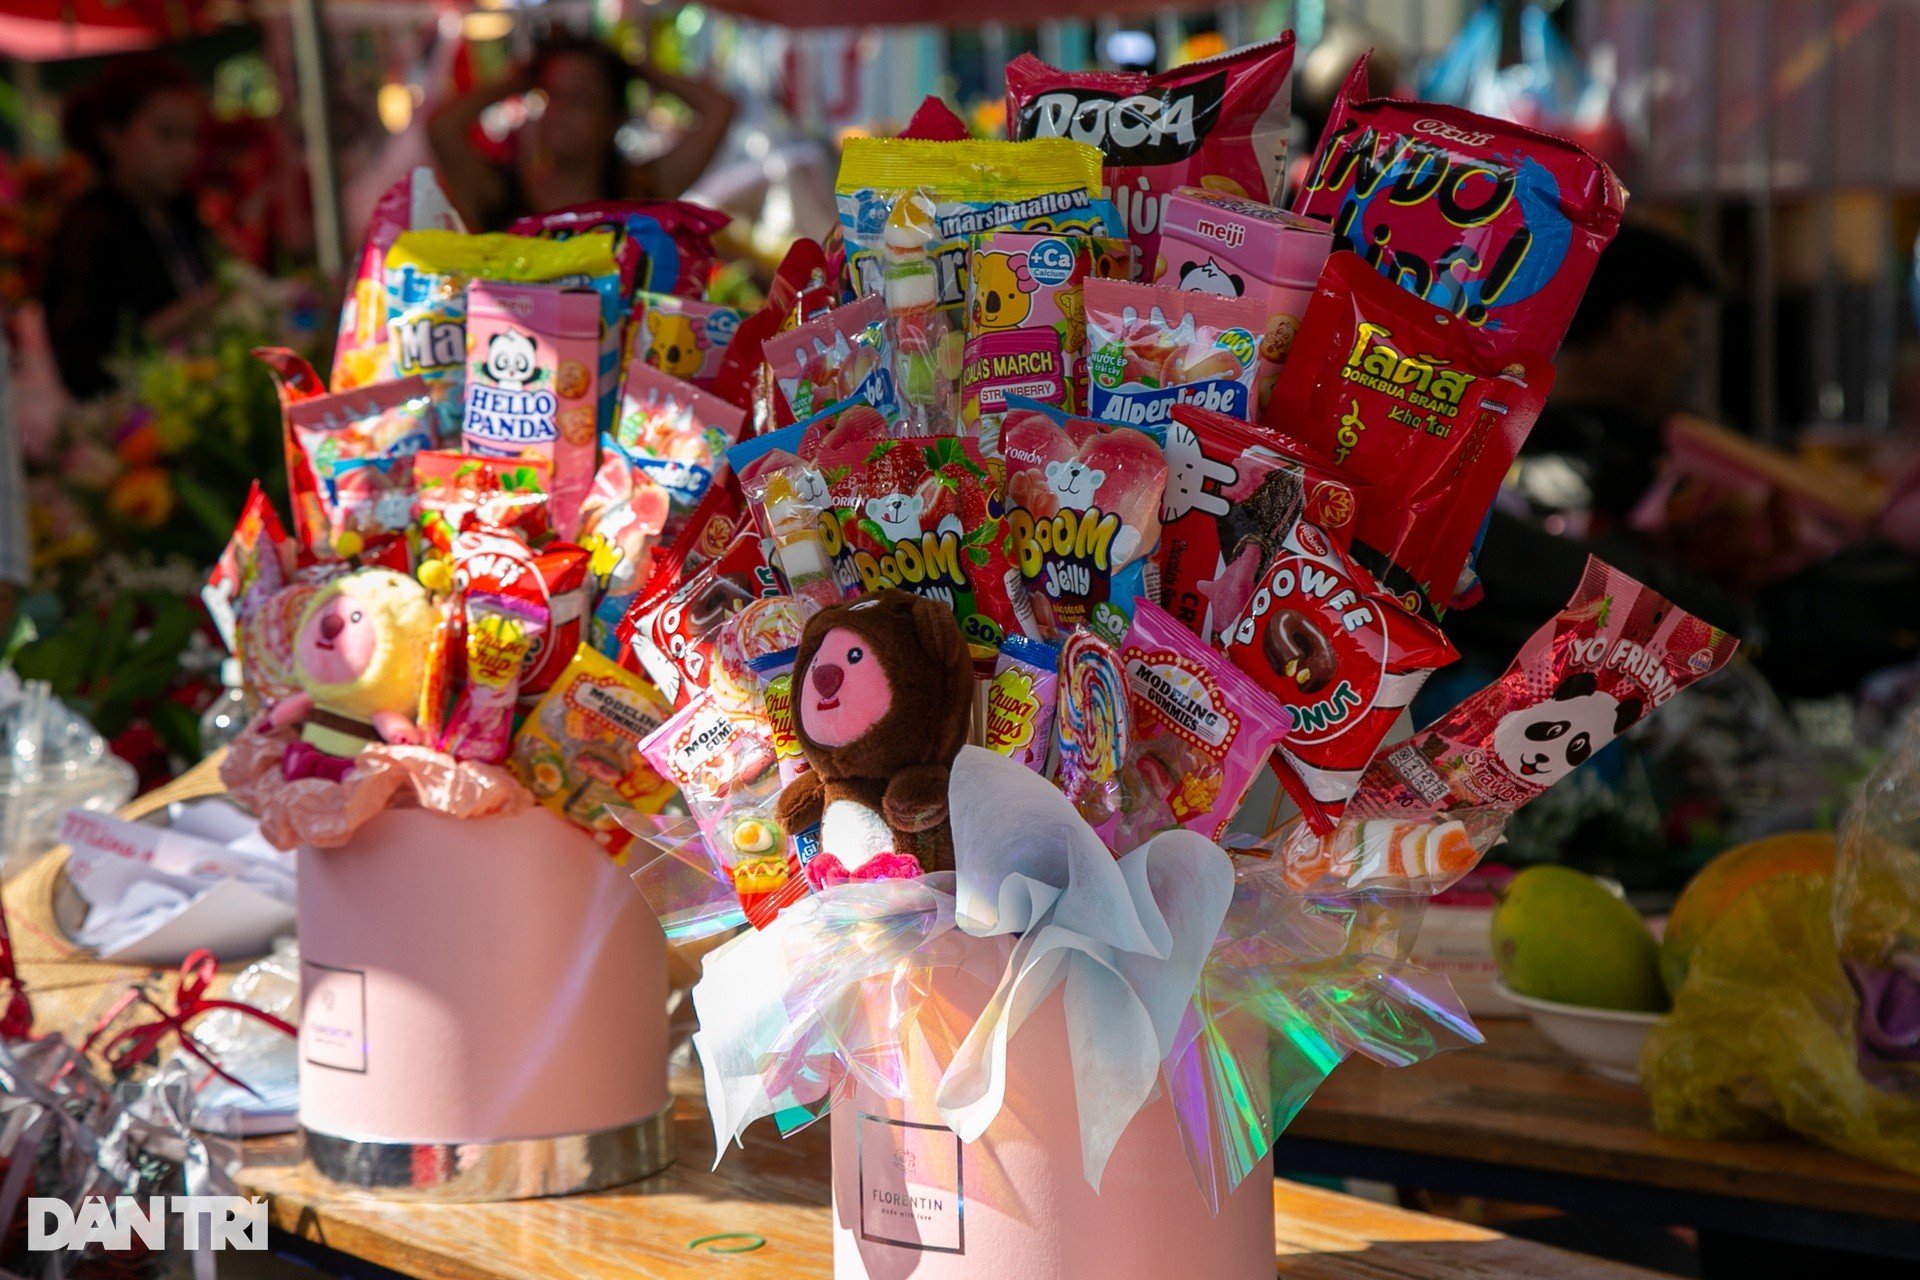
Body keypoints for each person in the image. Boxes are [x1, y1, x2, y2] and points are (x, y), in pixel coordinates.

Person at [1511, 223, 1720, 533]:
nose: (1688, 357)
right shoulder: (1657, 471)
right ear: (1630, 327)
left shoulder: (1499, 438)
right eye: (1685, 333)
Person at [41, 56, 218, 400]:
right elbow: (83, 365)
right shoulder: (89, 230)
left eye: (191, 136)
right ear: (111, 134)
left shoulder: (180, 213)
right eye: (167, 135)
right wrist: (189, 316)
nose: (186, 154)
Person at [429, 35, 735, 232]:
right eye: (552, 95)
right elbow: (441, 127)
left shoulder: (639, 192)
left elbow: (719, 109)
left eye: (581, 99)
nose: (561, 110)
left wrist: (632, 67)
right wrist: (520, 79)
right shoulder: (497, 192)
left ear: (614, 118)